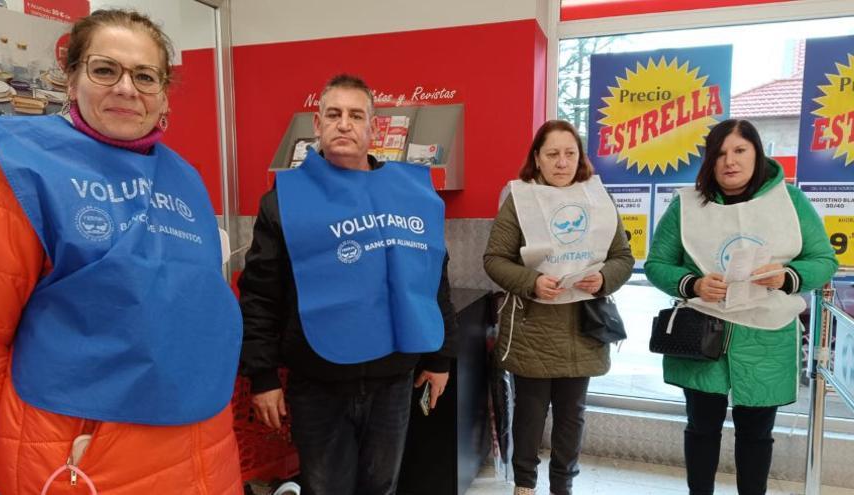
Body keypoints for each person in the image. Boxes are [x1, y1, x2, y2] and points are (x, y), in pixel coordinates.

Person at [0, 9, 243, 495]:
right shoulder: (16, 180)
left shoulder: (185, 179)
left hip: (202, 443)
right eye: (105, 70)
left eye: (145, 76)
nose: (126, 88)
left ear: (164, 94)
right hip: (80, 452)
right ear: (71, 77)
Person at [238, 74, 457, 495]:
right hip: (317, 382)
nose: (344, 124)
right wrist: (262, 377)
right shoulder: (284, 200)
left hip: (393, 379)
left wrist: (441, 357)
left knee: (381, 487)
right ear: (317, 125)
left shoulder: (411, 195)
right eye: (333, 114)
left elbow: (433, 277)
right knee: (325, 489)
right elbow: (260, 294)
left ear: (373, 127)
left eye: (356, 115)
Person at [645, 118, 837, 495]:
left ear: (756, 153)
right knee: (701, 428)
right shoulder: (687, 205)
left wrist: (788, 276)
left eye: (739, 150)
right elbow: (657, 264)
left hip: (767, 336)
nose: (729, 161)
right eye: (719, 154)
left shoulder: (790, 201)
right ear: (709, 161)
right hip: (703, 332)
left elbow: (824, 259)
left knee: (757, 433)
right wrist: (693, 283)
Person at [483, 119, 634, 495]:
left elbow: (622, 257)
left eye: (570, 153)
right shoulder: (521, 200)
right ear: (537, 158)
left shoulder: (597, 199)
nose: (562, 162)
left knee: (572, 414)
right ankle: (525, 484)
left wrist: (604, 278)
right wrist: (531, 281)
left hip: (583, 325)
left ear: (580, 157)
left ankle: (563, 485)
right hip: (533, 325)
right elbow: (494, 259)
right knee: (530, 413)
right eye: (552, 154)